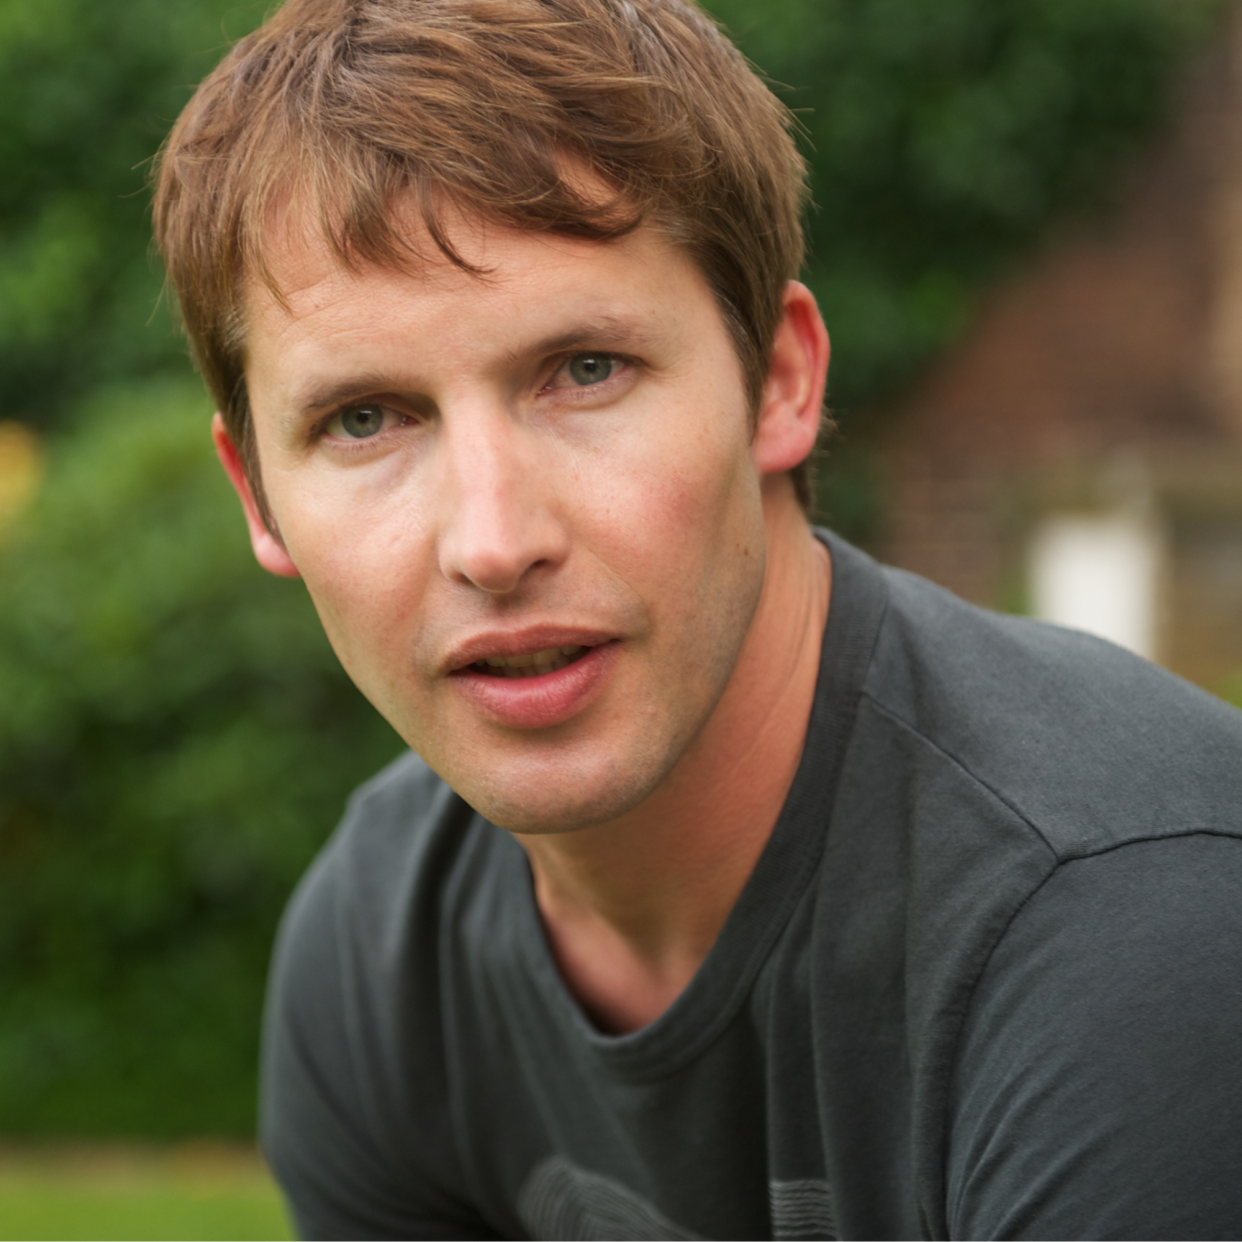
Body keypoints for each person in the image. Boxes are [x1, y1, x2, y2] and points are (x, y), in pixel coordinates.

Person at [152, 0, 1242, 1237]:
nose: (494, 540)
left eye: (585, 371)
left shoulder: (1130, 934)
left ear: (777, 380)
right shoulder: (380, 947)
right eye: (366, 420)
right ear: (259, 497)